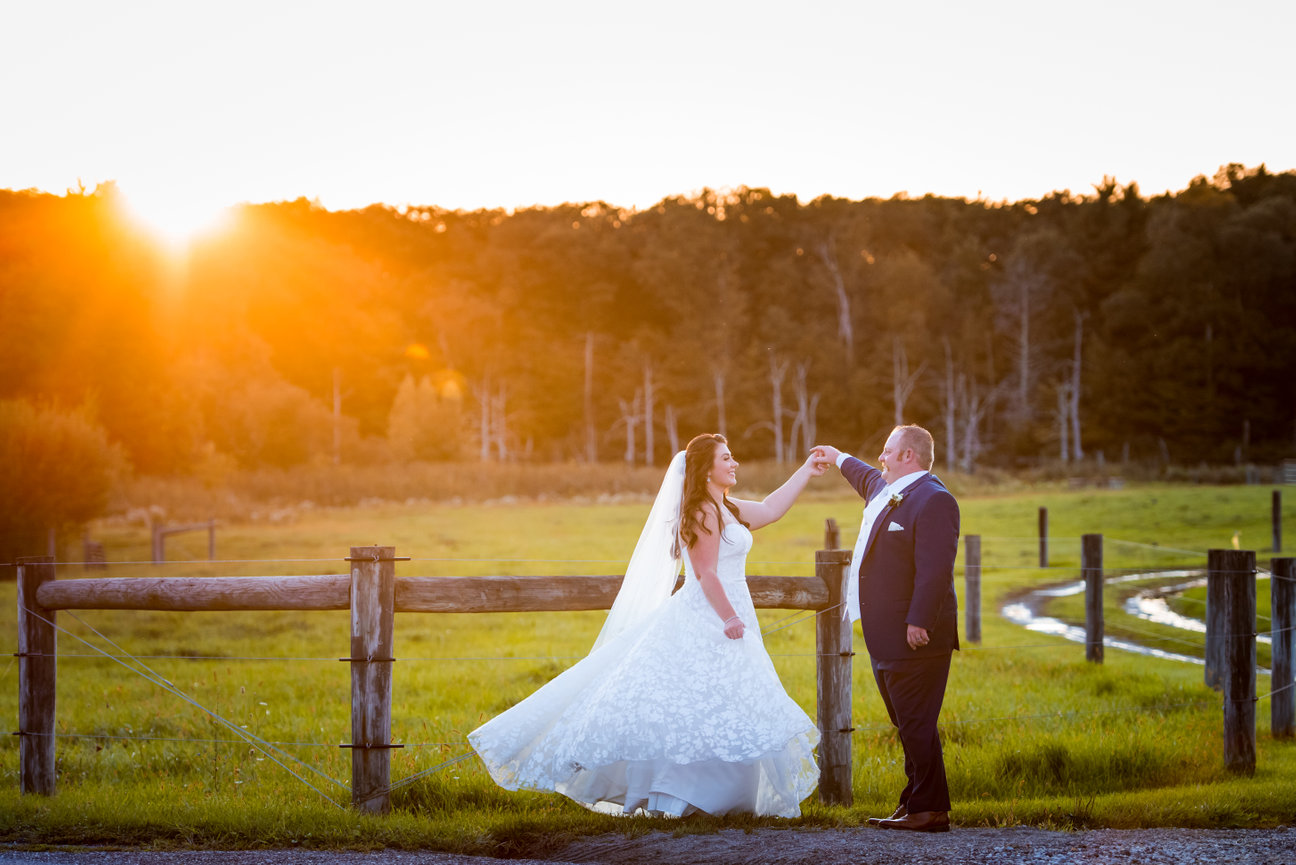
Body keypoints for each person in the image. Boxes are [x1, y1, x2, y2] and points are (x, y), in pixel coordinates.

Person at [469, 433, 826, 817]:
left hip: (729, 612)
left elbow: (771, 509)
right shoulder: (702, 512)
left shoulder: (728, 509)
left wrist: (806, 470)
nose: (734, 463)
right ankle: (683, 797)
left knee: (725, 700)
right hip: (709, 615)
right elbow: (705, 574)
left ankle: (728, 800)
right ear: (707, 469)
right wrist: (730, 618)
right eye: (727, 458)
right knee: (691, 701)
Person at [814, 425, 960, 833]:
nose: (881, 458)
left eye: (887, 451)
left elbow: (935, 570)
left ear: (908, 456)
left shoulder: (934, 500)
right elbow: (864, 474)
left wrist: (919, 620)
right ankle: (919, 802)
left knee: (914, 722)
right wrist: (837, 454)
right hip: (884, 633)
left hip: (916, 635)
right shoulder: (887, 489)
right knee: (908, 722)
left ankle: (928, 809)